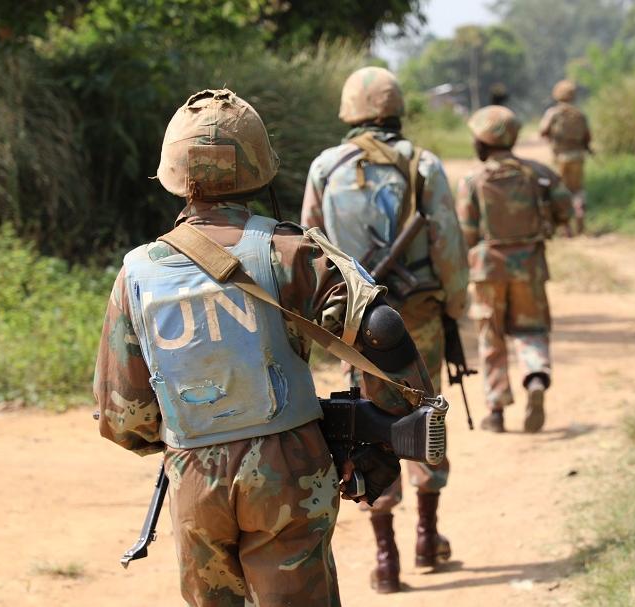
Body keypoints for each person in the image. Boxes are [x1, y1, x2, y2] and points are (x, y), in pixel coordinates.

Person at [94, 88, 435, 607]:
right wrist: (386, 440)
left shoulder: (136, 273)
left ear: (172, 175)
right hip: (289, 468)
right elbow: (381, 330)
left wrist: (195, 434)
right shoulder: (290, 251)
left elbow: (123, 418)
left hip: (194, 474)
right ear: (259, 170)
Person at [302, 66, 468, 594]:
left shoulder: (326, 167)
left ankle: (386, 556)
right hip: (417, 315)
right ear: (398, 109)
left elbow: (311, 250)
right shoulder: (424, 164)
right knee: (426, 414)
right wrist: (456, 304)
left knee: (369, 425)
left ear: (349, 111)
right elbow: (448, 244)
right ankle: (427, 536)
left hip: (355, 323)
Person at [456, 105, 572, 434]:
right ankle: (535, 378)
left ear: (481, 141)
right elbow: (565, 209)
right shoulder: (539, 173)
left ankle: (495, 412)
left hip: (487, 271)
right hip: (530, 268)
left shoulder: (471, 181)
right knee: (531, 330)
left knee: (491, 337)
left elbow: (466, 233)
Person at [538, 79, 591, 236]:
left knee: (561, 191)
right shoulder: (579, 114)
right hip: (578, 157)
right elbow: (587, 137)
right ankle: (580, 216)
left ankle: (566, 227)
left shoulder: (553, 113)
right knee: (577, 190)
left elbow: (543, 130)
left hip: (560, 157)